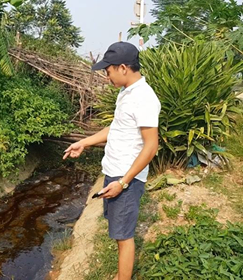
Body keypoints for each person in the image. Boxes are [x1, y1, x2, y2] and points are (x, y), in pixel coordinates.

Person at [63, 42, 161, 280]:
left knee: (124, 236)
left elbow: (151, 146)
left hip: (126, 178)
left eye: (108, 71)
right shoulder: (126, 93)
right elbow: (115, 129)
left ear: (124, 68)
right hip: (115, 173)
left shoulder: (144, 98)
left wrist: (124, 182)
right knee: (118, 233)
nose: (107, 77)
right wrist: (84, 142)